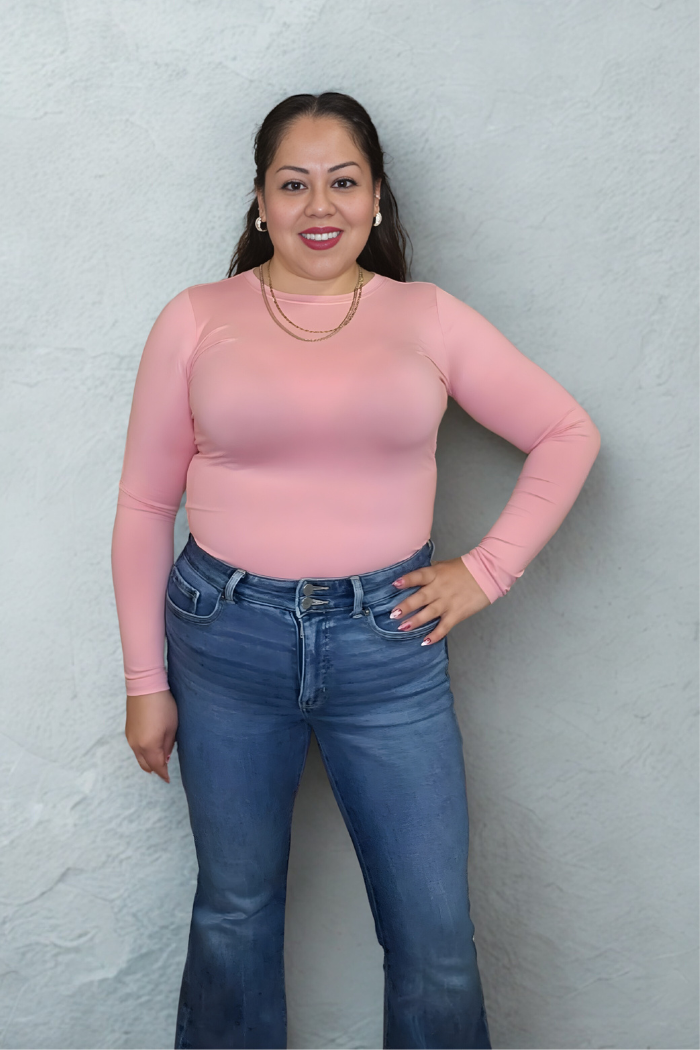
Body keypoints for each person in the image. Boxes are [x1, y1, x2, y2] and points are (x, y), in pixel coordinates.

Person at [111, 91, 601, 1050]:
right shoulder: (197, 318)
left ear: (378, 200)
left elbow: (566, 432)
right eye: (293, 184)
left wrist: (487, 571)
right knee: (233, 916)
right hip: (225, 640)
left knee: (434, 939)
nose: (318, 205)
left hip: (389, 646)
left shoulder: (427, 316)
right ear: (260, 202)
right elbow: (143, 507)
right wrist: (144, 682)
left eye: (343, 181)